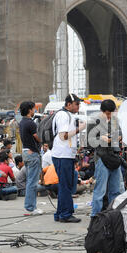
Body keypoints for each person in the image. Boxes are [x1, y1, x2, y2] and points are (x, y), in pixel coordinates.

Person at [51, 94, 86, 223]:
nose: (78, 106)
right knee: (65, 185)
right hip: (62, 155)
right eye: (76, 104)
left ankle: (60, 213)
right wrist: (79, 129)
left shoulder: (68, 115)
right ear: (69, 104)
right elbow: (63, 136)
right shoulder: (63, 115)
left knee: (65, 185)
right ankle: (66, 214)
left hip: (66, 155)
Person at [90, 99, 125, 217]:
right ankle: (95, 217)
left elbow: (121, 134)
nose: (109, 116)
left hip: (114, 158)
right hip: (101, 158)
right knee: (100, 191)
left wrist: (117, 137)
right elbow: (89, 142)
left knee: (116, 190)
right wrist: (102, 139)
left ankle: (113, 216)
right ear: (102, 111)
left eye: (111, 113)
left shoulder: (115, 121)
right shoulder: (94, 122)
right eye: (107, 114)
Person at [19, 101, 44, 216]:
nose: (35, 110)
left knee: (30, 181)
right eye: (34, 109)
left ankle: (30, 206)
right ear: (29, 110)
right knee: (32, 182)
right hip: (33, 154)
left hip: (25, 152)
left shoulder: (22, 122)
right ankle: (30, 207)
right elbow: (38, 138)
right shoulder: (31, 123)